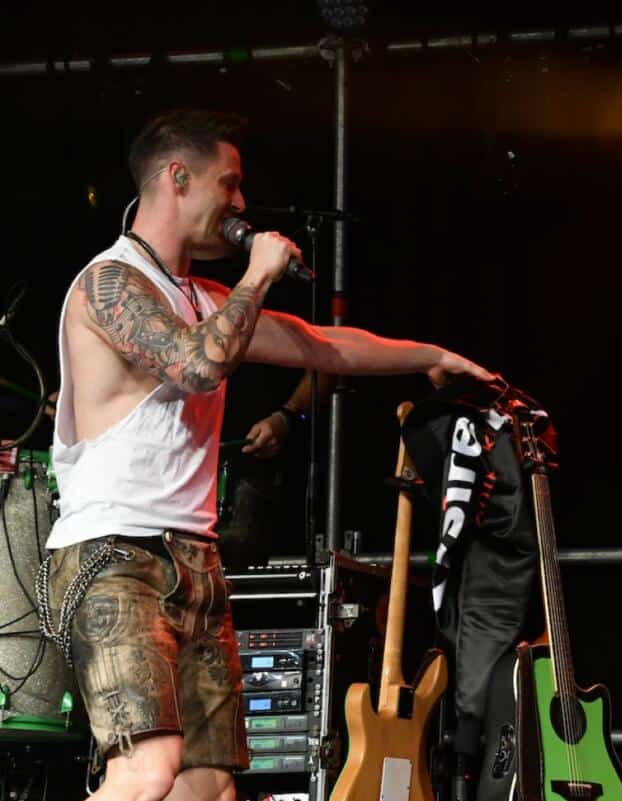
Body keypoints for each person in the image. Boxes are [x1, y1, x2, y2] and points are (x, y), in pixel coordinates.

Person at [38, 109, 493, 801]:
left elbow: (322, 344)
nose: (241, 203)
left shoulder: (203, 297)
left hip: (194, 555)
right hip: (115, 551)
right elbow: (198, 365)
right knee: (147, 770)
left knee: (210, 782)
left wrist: (431, 355)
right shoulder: (110, 283)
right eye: (229, 183)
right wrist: (257, 275)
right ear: (177, 178)